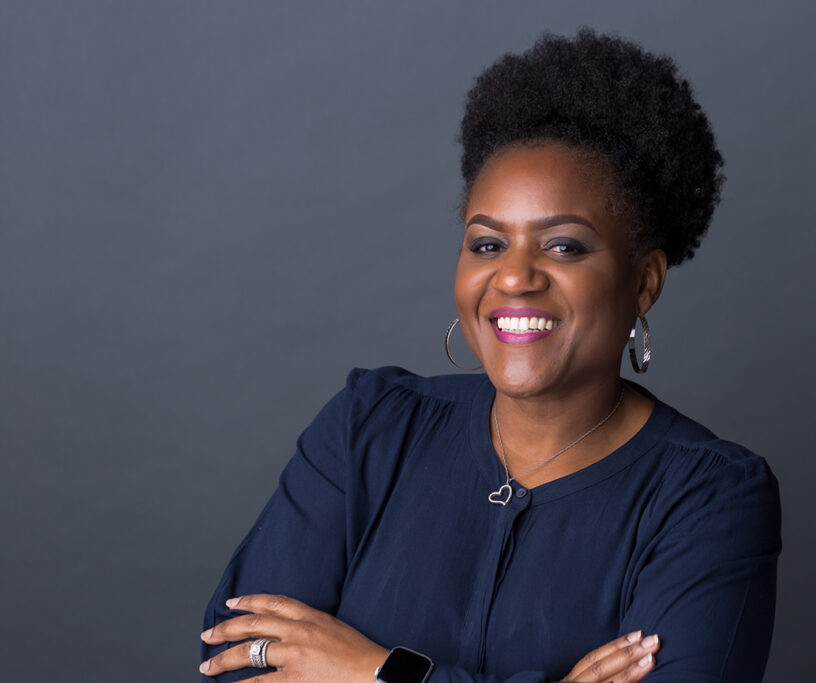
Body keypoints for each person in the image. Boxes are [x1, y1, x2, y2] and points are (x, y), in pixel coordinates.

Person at [199, 28, 781, 683]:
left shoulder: (709, 497)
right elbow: (232, 660)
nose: (514, 277)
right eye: (486, 244)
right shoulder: (369, 427)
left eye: (563, 246)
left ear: (643, 281)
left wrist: (374, 670)